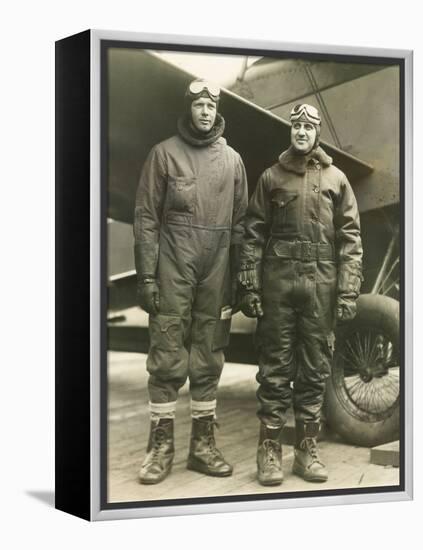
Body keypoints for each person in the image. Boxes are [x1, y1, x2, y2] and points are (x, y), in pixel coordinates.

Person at [238, 104, 362, 486]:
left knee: (314, 369)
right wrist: (249, 285)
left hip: (321, 287)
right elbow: (253, 233)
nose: (302, 132)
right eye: (297, 127)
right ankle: (269, 450)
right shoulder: (272, 177)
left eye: (308, 127)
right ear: (290, 132)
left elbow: (351, 239)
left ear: (317, 132)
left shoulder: (337, 180)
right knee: (274, 369)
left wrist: (348, 291)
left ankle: (306, 450)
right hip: (279, 285)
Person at [134, 79, 248, 484]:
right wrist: (147, 275)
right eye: (198, 104)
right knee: (166, 354)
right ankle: (159, 448)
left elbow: (240, 225)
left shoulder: (233, 161)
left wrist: (240, 278)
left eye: (210, 105)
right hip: (173, 269)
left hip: (216, 272)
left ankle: (202, 446)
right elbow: (146, 219)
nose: (204, 111)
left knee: (209, 354)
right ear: (189, 108)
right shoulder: (163, 155)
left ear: (217, 111)